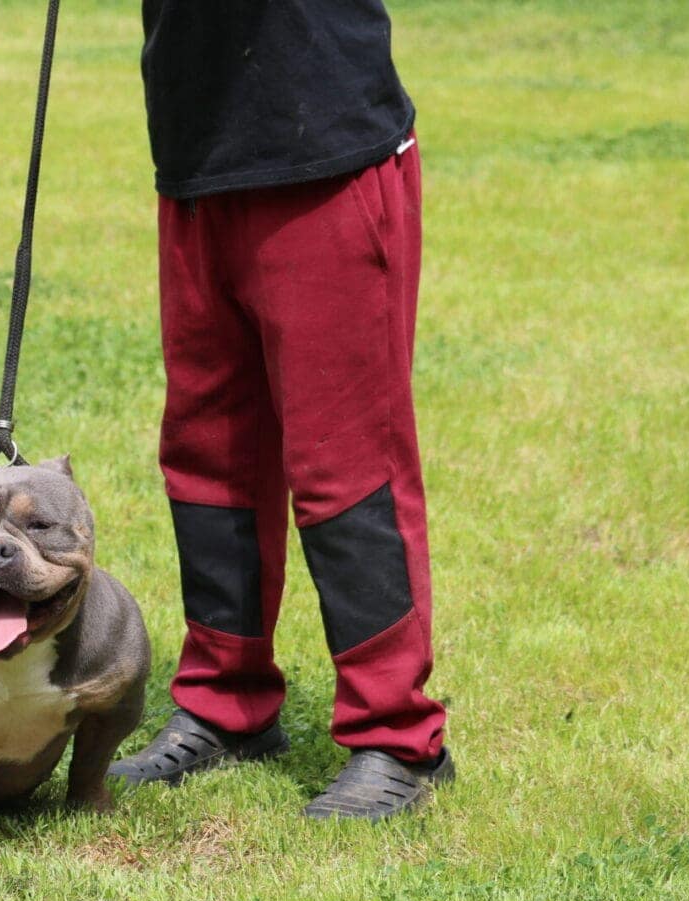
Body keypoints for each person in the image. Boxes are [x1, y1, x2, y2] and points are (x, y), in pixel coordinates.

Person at [106, 0, 454, 818]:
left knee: (345, 464)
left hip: (325, 145)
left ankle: (397, 736)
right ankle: (226, 705)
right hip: (198, 147)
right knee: (208, 452)